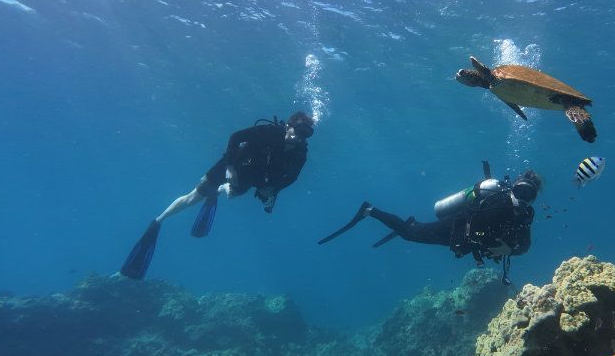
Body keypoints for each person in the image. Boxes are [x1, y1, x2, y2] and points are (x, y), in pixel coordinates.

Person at [120, 111, 315, 280]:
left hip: (251, 178)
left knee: (229, 194)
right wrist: (230, 167)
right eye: (297, 132)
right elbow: (235, 137)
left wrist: (274, 190)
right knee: (193, 198)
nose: (299, 138)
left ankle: (220, 191)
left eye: (305, 136)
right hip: (233, 165)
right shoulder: (269, 132)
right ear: (288, 126)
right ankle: (159, 221)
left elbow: (293, 177)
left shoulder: (300, 153)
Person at [318, 164, 542, 285]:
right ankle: (369, 210)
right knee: (409, 234)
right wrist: (499, 246)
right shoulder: (497, 200)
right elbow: (478, 225)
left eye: (528, 196)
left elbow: (526, 246)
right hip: (455, 229)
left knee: (412, 232)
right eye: (520, 191)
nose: (522, 198)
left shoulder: (524, 215)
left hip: (464, 243)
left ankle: (410, 223)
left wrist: (508, 249)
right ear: (512, 188)